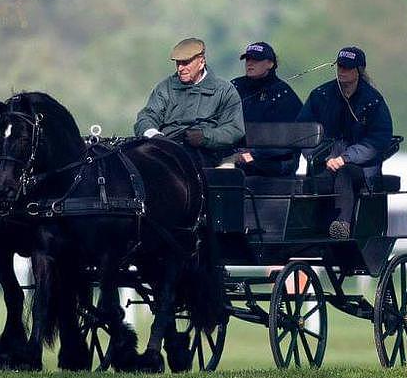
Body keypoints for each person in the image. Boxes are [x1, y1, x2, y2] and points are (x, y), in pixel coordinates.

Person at [297, 46, 393, 239]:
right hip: (324, 163)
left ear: (359, 70)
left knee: (345, 173)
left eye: (348, 67)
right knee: (311, 182)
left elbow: (378, 139)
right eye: (340, 66)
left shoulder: (373, 101)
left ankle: (343, 223)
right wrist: (322, 156)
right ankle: (305, 227)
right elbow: (303, 131)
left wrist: (345, 158)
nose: (342, 71)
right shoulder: (320, 95)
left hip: (361, 168)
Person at [134, 37, 244, 167]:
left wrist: (204, 137)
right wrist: (154, 135)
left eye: (186, 63)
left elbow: (234, 129)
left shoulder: (224, 90)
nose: (180, 68)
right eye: (178, 63)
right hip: (165, 149)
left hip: (208, 154)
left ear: (201, 62)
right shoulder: (165, 87)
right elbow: (147, 117)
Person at [231, 42, 303, 176]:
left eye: (256, 60)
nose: (250, 63)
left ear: (270, 64)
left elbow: (289, 140)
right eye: (248, 59)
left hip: (276, 159)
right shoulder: (235, 87)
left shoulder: (283, 93)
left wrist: (251, 154)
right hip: (238, 154)